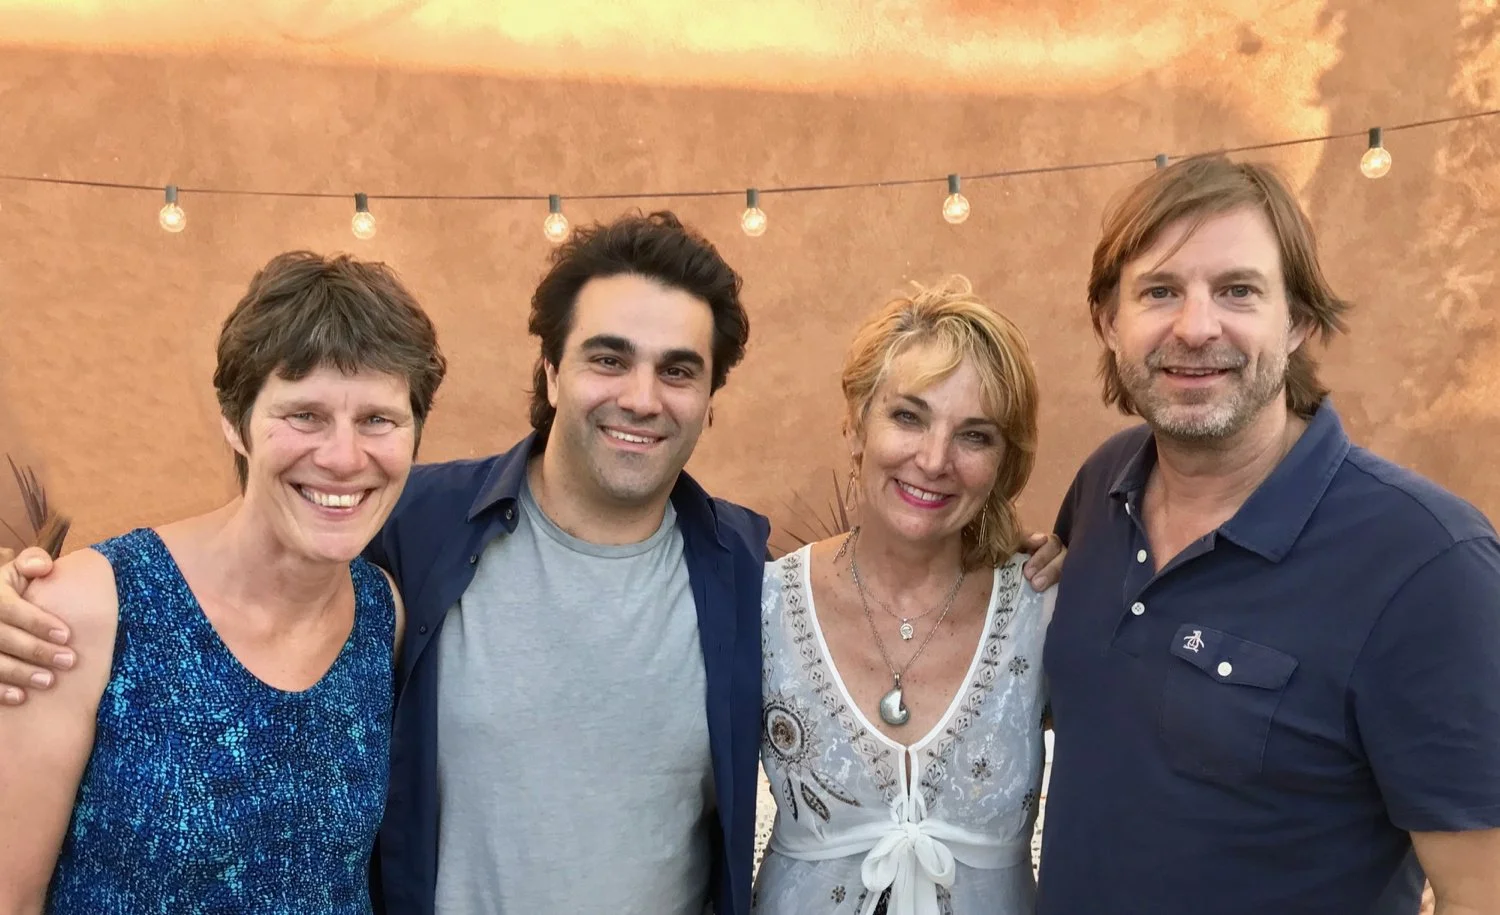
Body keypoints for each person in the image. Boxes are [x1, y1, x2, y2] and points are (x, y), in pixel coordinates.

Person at [0, 212, 1065, 914]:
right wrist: (28, 593)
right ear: (551, 371)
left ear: (709, 398)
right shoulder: (416, 524)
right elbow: (237, 557)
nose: (640, 396)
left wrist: (1031, 557)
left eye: (677, 370)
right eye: (607, 357)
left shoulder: (744, 567)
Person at [1036, 153, 1500, 914]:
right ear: (1109, 323)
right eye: (1160, 290)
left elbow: (1481, 893)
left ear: (1299, 323)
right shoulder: (1103, 487)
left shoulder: (1429, 564)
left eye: (1238, 290)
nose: (1196, 327)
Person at [0, 250, 446, 912]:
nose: (343, 457)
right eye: (304, 415)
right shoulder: (85, 610)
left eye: (377, 419)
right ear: (236, 423)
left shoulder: (383, 613)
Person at [755, 276, 1053, 915]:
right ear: (856, 426)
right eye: (908, 417)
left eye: (975, 435)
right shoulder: (764, 607)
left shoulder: (1044, 608)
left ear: (1004, 462)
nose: (935, 459)